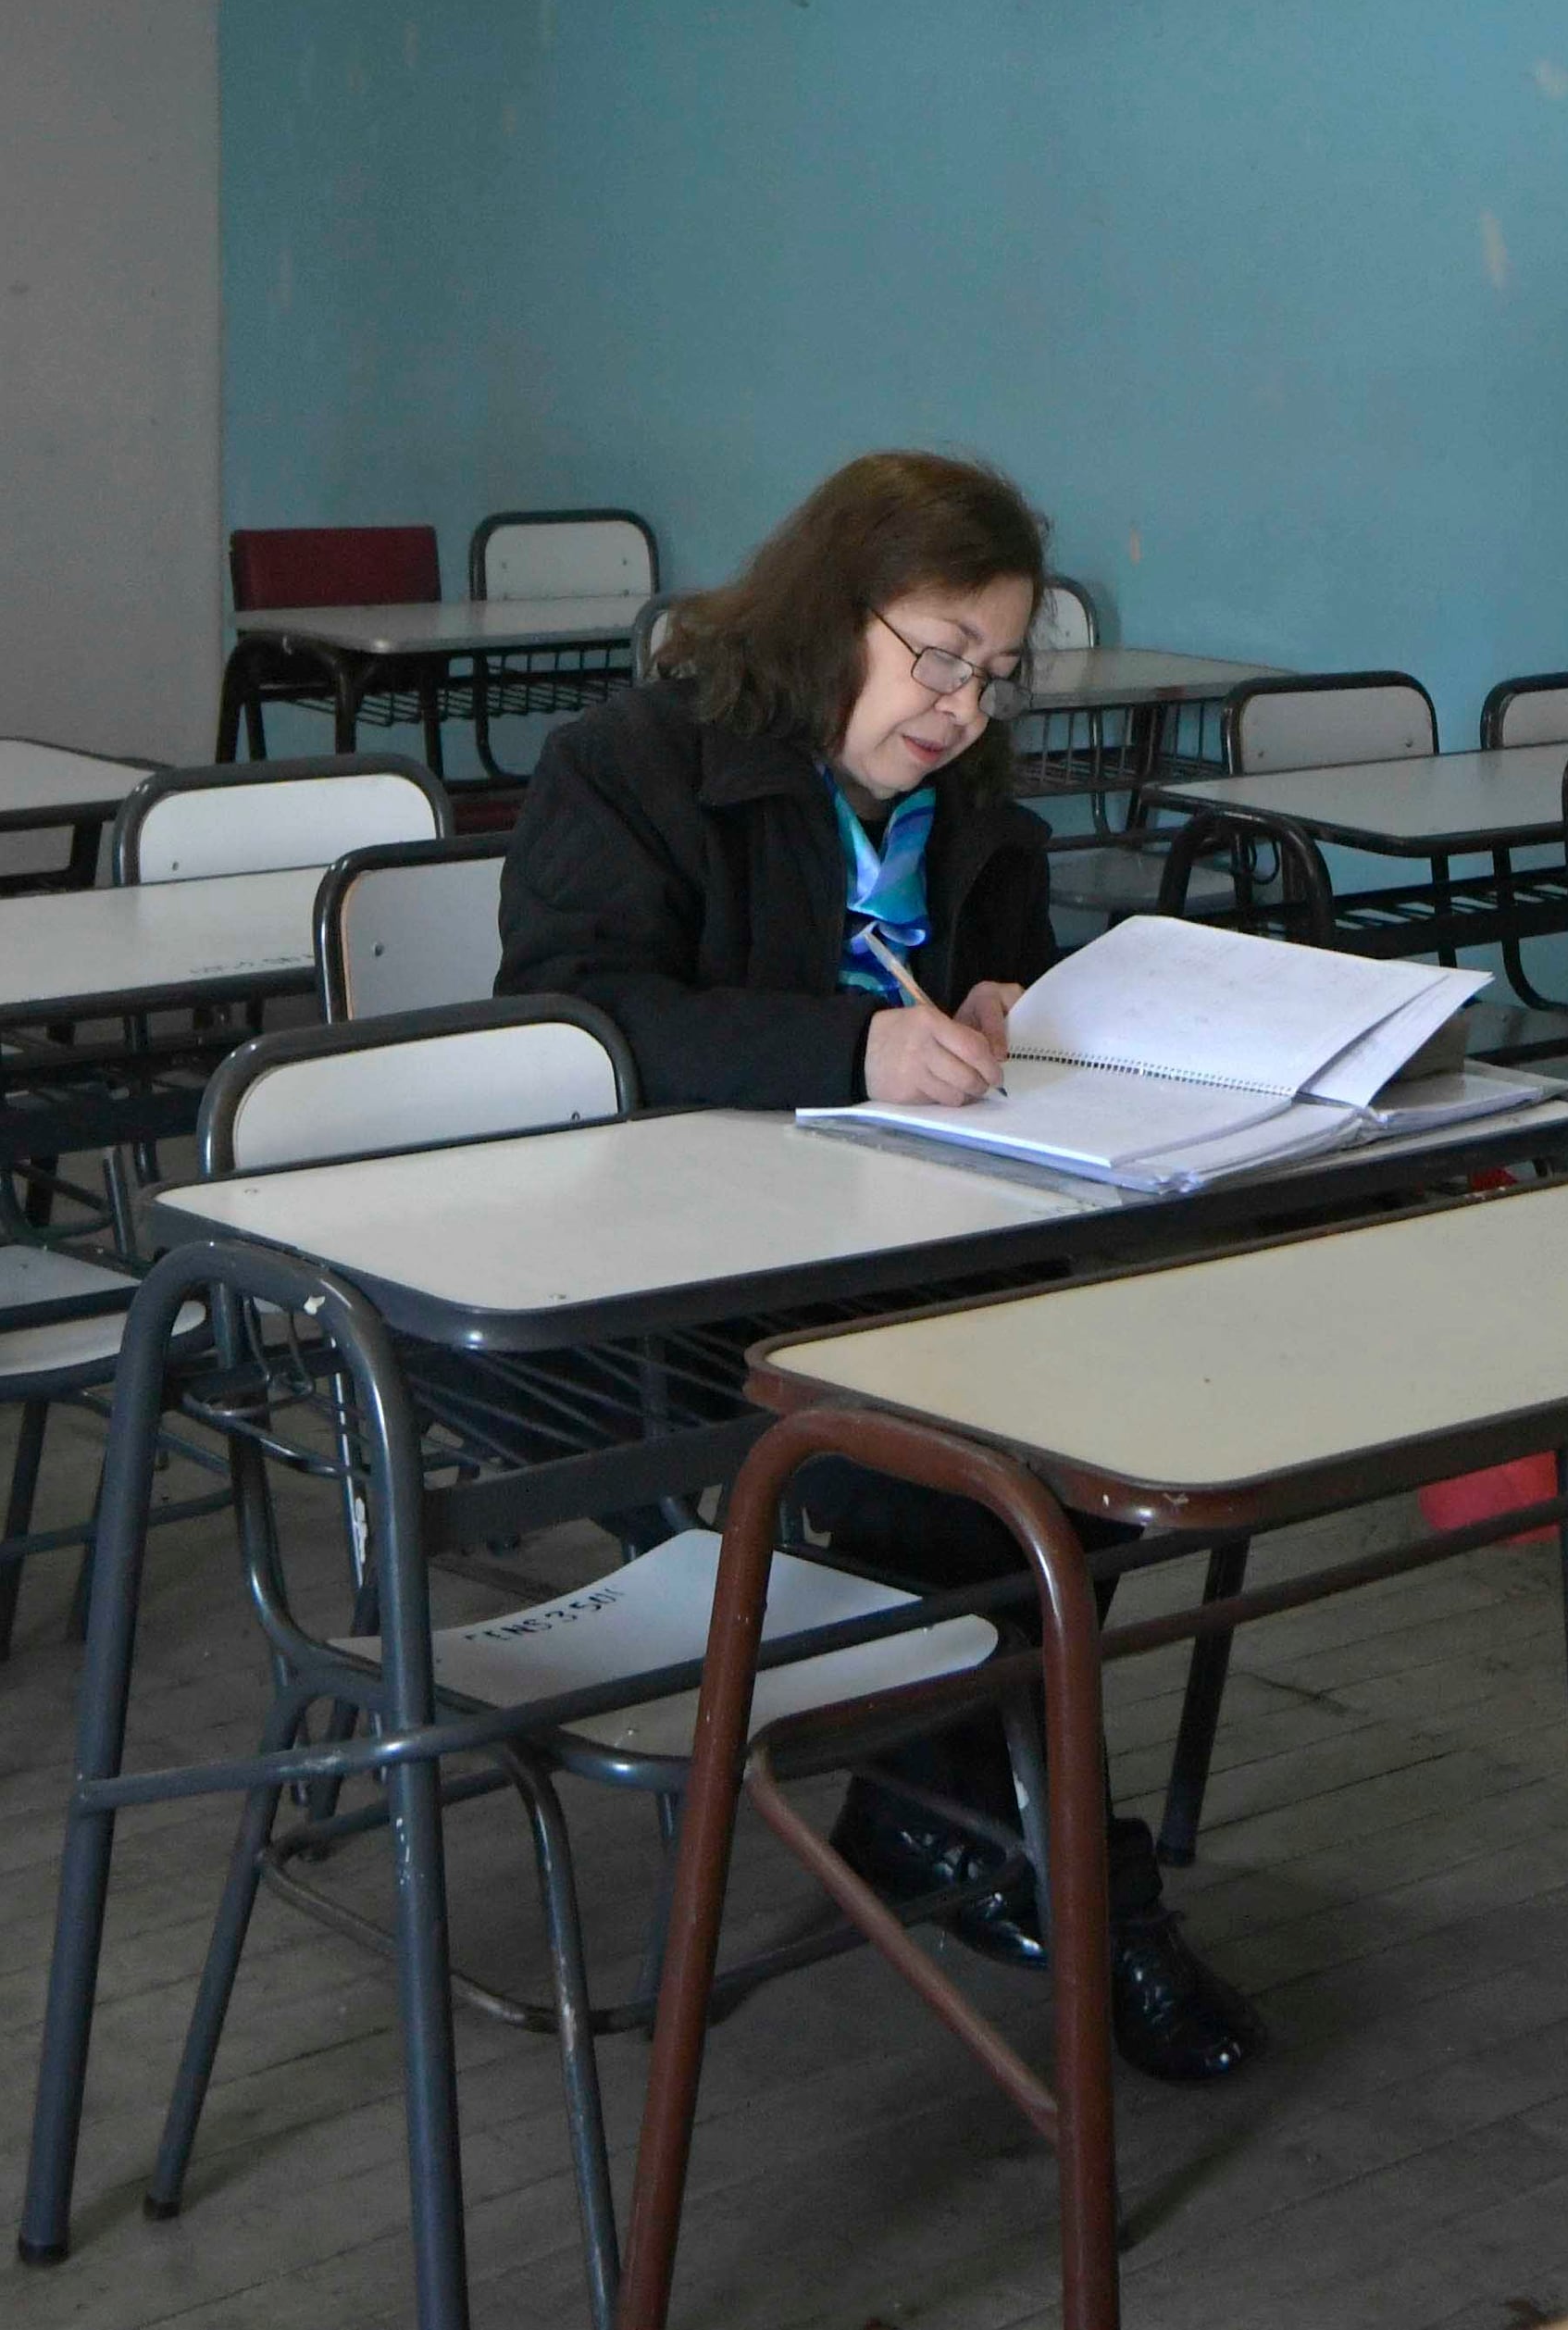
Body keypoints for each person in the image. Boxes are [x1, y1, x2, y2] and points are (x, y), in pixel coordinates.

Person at [499, 449, 1272, 2083]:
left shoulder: (971, 819)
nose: (962, 707)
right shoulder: (629, 764)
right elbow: (576, 1019)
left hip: (907, 1259)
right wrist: (852, 1047)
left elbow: (1014, 990)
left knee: (1117, 1438)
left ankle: (946, 1817)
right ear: (828, 614)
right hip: (675, 1299)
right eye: (938, 656)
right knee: (982, 1476)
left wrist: (1016, 1015)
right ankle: (1065, 1876)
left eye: (993, 674)